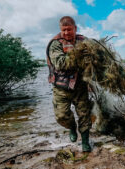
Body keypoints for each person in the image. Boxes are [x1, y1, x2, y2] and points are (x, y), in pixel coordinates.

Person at [46, 16, 92, 152]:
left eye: (69, 30)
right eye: (63, 30)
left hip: (80, 86)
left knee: (85, 114)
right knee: (61, 115)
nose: (66, 33)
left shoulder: (84, 41)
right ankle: (72, 127)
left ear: (75, 28)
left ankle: (85, 141)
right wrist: (79, 55)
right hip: (61, 87)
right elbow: (60, 63)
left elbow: (95, 58)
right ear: (60, 30)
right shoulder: (55, 43)